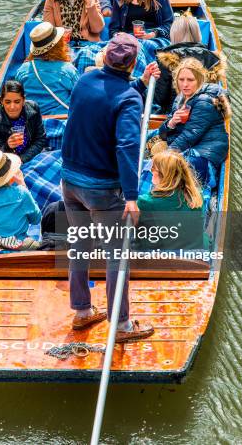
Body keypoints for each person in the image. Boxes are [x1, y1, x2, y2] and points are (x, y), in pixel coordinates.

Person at [61, 33, 159, 343]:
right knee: (117, 256)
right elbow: (128, 146)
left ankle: (81, 312)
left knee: (79, 245)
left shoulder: (84, 81)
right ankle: (122, 325)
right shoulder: (128, 99)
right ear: (132, 62)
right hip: (103, 190)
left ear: (105, 57)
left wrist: (141, 85)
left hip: (70, 182)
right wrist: (131, 196)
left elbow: (108, 98)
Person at [159, 57, 231, 183]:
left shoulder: (204, 102)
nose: (185, 84)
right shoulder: (181, 97)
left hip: (206, 154)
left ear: (199, 81)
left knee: (165, 169)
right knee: (150, 142)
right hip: (191, 146)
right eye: (181, 80)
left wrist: (165, 157)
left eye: (190, 80)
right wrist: (171, 123)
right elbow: (163, 134)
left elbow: (189, 136)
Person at [154, 14, 227, 113]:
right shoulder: (214, 60)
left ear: (174, 34)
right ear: (198, 33)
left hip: (174, 114)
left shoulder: (167, 60)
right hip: (204, 114)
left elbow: (160, 98)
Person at [137, 150, 207, 252]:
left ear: (164, 175)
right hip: (198, 253)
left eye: (153, 168)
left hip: (167, 257)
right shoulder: (196, 195)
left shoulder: (145, 202)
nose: (150, 171)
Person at [15, 22, 79, 115]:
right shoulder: (67, 69)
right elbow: (79, 95)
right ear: (59, 44)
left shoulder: (22, 70)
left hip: (33, 121)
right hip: (61, 119)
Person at [0, 80, 46, 164]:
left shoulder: (34, 108)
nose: (12, 107)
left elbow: (40, 140)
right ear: (2, 101)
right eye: (7, 102)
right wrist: (7, 146)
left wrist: (22, 159)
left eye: (17, 102)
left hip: (29, 155)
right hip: (8, 163)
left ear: (23, 100)